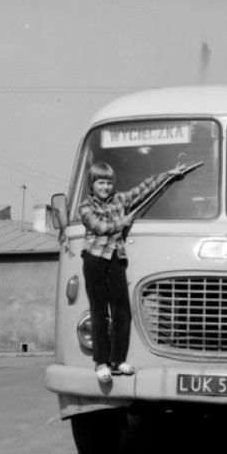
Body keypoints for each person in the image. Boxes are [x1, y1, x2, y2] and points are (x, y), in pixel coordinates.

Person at [79, 160, 185, 384]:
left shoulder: (119, 199)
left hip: (116, 257)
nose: (105, 187)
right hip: (94, 259)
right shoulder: (85, 207)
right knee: (99, 311)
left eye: (109, 183)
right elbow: (99, 227)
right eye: (101, 182)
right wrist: (123, 222)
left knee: (122, 311)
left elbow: (143, 188)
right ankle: (101, 363)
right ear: (92, 184)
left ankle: (117, 360)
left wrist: (169, 173)